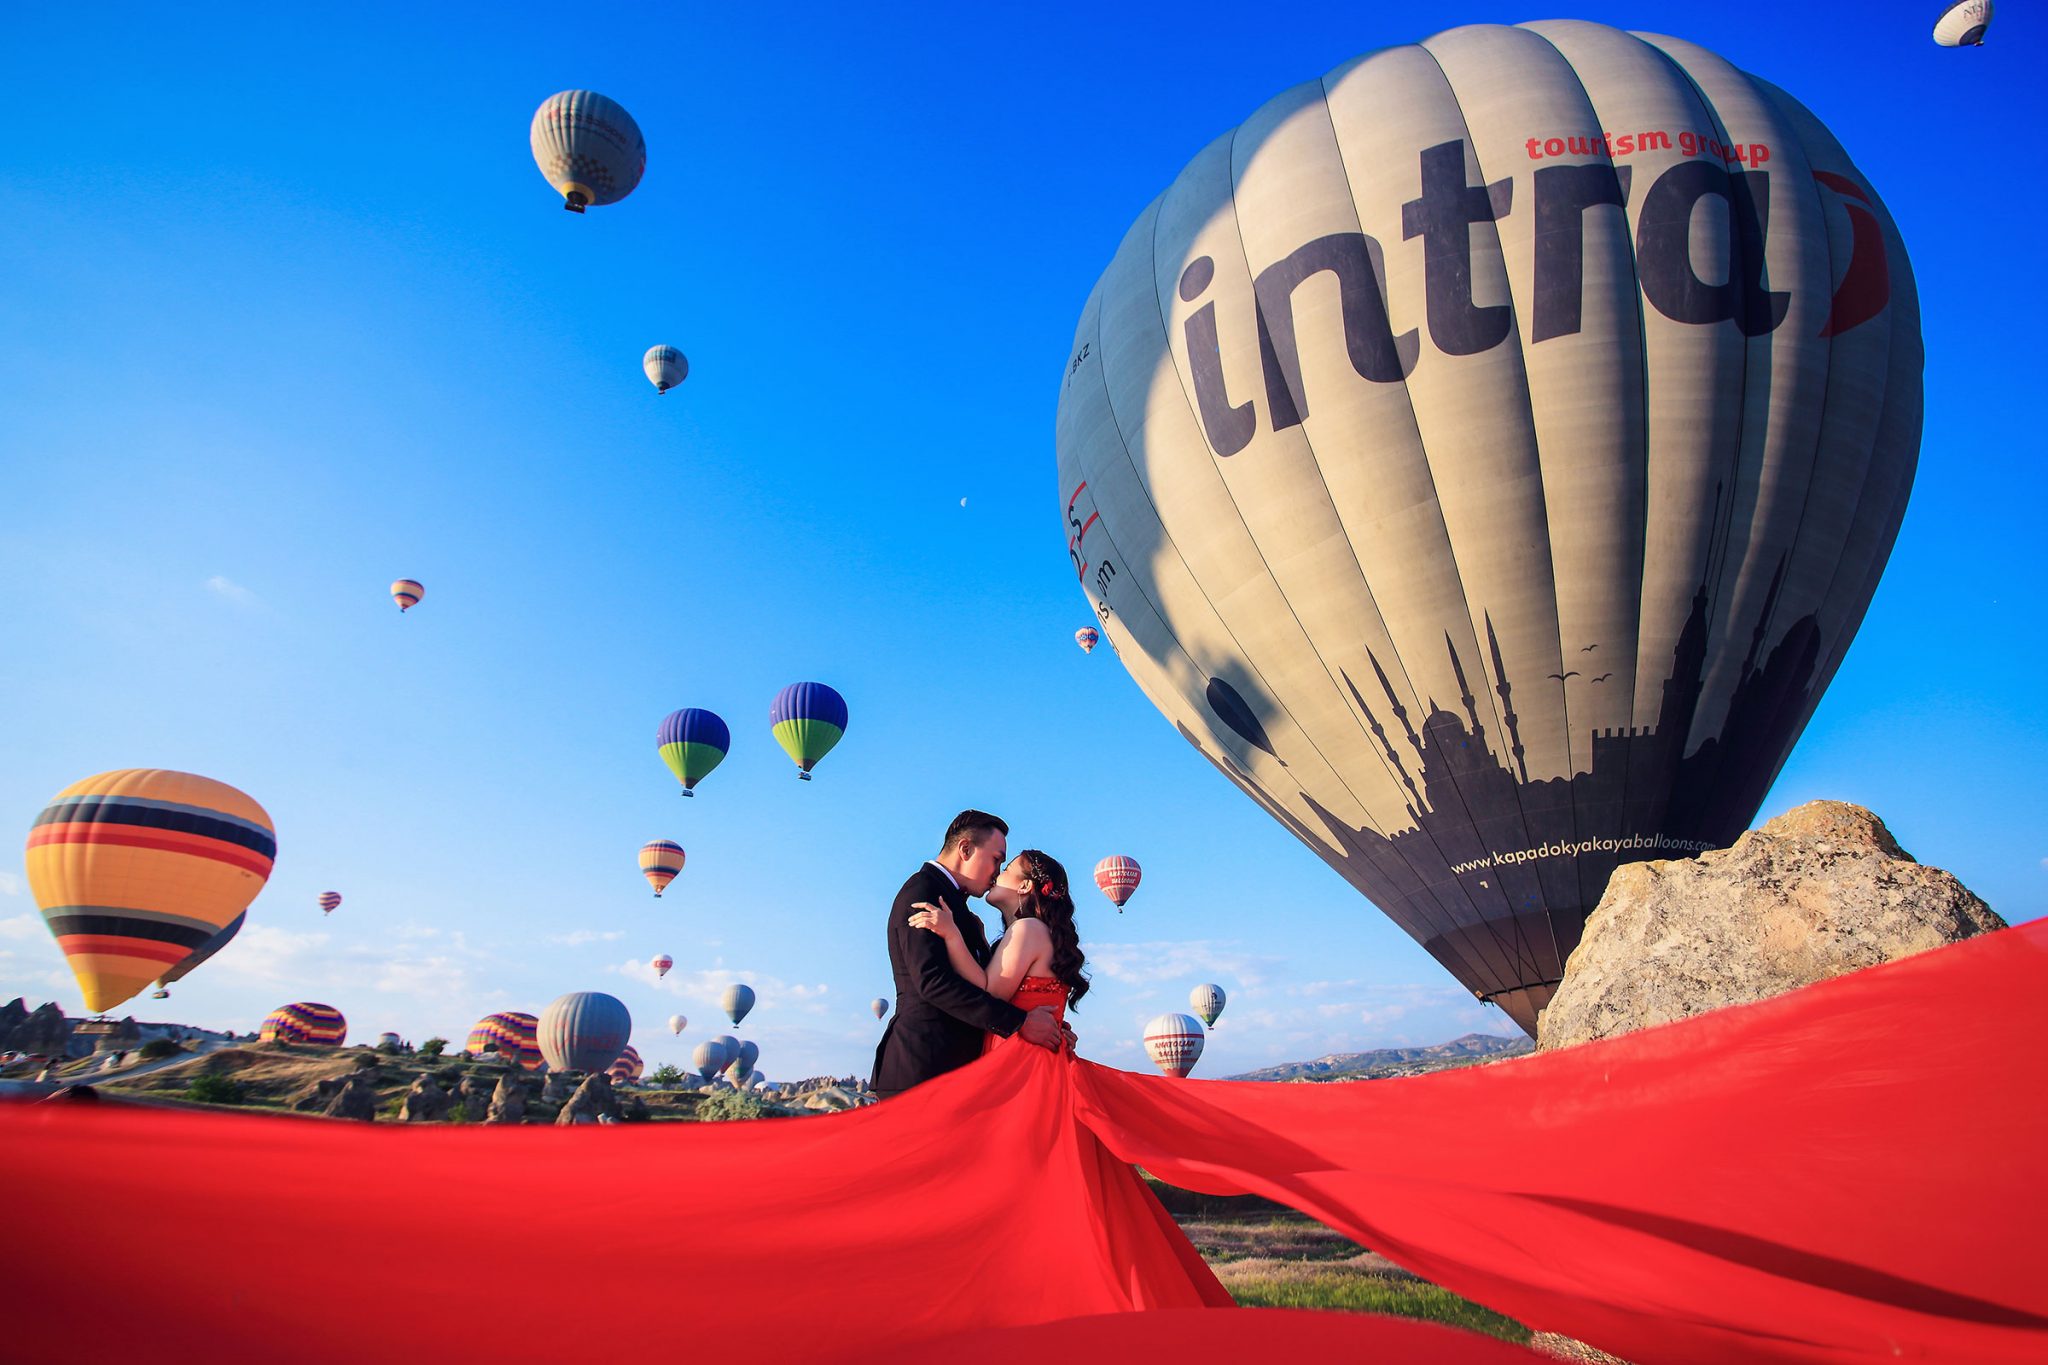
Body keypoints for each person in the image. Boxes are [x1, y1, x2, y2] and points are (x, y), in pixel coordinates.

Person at [870, 810, 1062, 1098]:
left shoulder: (958, 907)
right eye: (996, 859)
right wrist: (1021, 1023)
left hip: (956, 1070)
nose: (997, 872)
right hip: (923, 1066)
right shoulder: (923, 892)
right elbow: (934, 982)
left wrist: (1051, 1025)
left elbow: (988, 982)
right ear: (966, 849)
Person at [907, 847, 1089, 1057]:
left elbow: (989, 992)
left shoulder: (1028, 928)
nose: (996, 875)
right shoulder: (1041, 932)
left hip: (1018, 1058)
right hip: (1036, 1056)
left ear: (1024, 885)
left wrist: (952, 935)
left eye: (1006, 869)